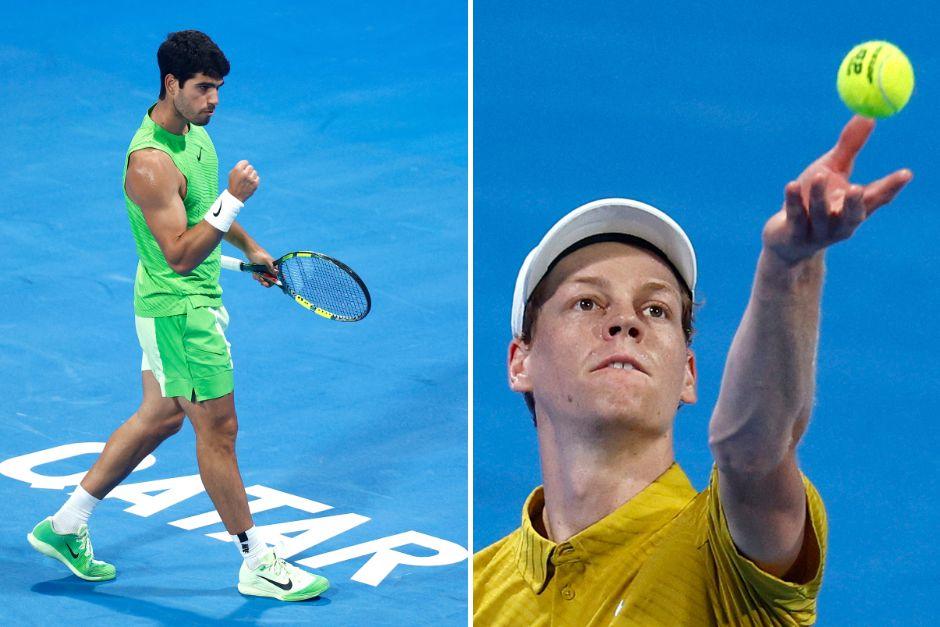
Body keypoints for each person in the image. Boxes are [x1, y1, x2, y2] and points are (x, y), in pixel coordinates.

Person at [473, 116, 911, 624]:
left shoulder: (726, 551)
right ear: (520, 361)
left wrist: (788, 264)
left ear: (687, 373)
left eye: (655, 310)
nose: (624, 322)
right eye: (587, 303)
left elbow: (753, 455)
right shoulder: (473, 593)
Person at [26, 30, 329, 602]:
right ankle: (256, 560)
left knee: (161, 416)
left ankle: (64, 526)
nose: (214, 100)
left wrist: (251, 248)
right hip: (179, 310)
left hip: (180, 304)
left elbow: (203, 211)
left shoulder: (193, 136)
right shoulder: (148, 164)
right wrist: (235, 199)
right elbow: (183, 254)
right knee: (219, 431)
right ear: (172, 84)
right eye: (203, 88)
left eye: (218, 89)